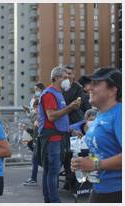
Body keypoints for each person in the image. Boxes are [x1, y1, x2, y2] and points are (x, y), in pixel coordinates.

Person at [71, 68, 122, 203]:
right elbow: (104, 152)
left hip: (117, 191)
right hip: (100, 188)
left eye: (96, 84)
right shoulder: (100, 115)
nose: (89, 88)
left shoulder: (120, 113)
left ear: (113, 89)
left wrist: (95, 165)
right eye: (90, 84)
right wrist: (84, 163)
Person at [37, 65, 81, 203]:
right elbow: (51, 116)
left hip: (58, 136)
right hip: (52, 137)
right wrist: (70, 107)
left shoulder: (58, 93)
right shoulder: (50, 94)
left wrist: (70, 129)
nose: (68, 79)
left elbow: (60, 118)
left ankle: (49, 200)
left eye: (68, 77)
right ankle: (54, 200)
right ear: (55, 78)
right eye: (65, 77)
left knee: (50, 170)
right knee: (53, 170)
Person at [22, 98, 40, 186]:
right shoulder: (39, 116)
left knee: (35, 159)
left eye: (36, 107)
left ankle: (33, 179)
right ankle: (33, 178)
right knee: (35, 159)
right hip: (38, 141)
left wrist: (28, 130)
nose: (35, 110)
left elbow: (36, 132)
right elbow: (35, 131)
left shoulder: (40, 117)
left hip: (39, 141)